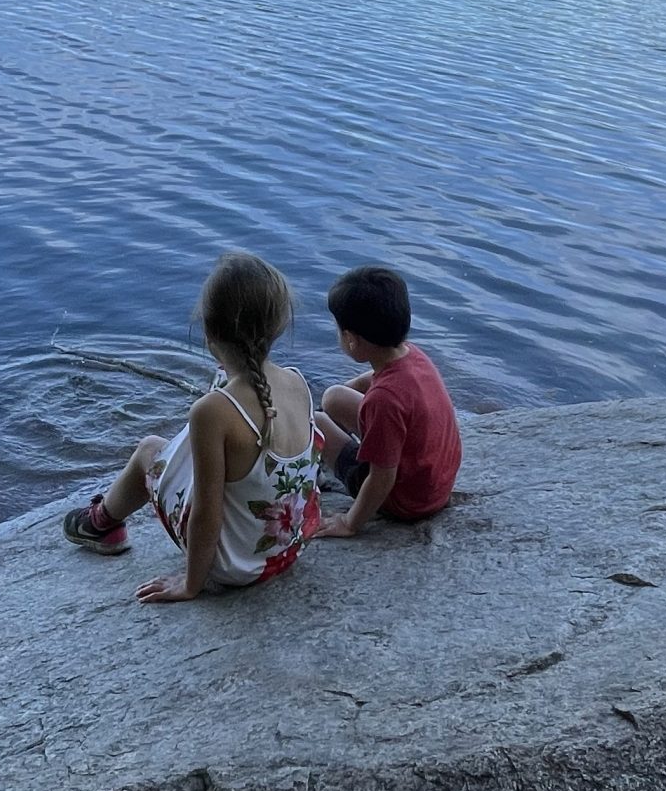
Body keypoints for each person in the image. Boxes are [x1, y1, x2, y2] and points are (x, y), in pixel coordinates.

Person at [62, 252, 321, 603]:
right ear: (278, 326)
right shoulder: (296, 382)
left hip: (237, 566)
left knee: (149, 451)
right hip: (285, 551)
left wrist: (191, 583)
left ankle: (100, 524)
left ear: (209, 331)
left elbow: (206, 513)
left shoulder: (212, 411)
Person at [313, 264, 461, 536]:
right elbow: (367, 382)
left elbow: (383, 478)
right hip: (433, 482)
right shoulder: (413, 355)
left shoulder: (384, 400)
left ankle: (314, 470)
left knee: (316, 422)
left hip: (406, 500)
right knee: (333, 396)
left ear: (350, 340)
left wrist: (349, 523)